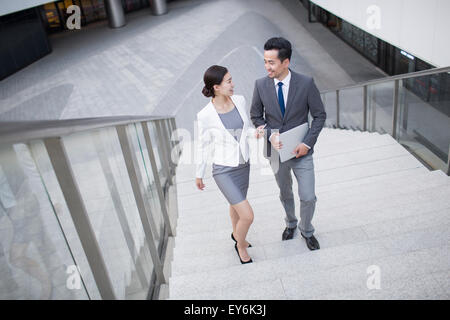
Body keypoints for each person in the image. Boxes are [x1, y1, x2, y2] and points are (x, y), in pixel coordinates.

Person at [250, 37, 326, 251]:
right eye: (265, 61)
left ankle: (307, 229)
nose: (267, 67)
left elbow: (319, 116)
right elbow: (256, 116)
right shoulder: (261, 85)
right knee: (285, 193)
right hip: (275, 152)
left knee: (308, 197)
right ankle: (291, 223)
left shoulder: (306, 83)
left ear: (286, 62)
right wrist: (267, 132)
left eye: (271, 62)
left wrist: (307, 144)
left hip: (302, 151)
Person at [195, 65, 265, 264]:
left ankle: (236, 234)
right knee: (248, 215)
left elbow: (245, 130)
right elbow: (203, 145)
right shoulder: (205, 115)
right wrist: (199, 174)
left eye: (232, 79)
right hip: (223, 170)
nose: (233, 84)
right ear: (216, 87)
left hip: (243, 164)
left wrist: (256, 133)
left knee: (236, 206)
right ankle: (240, 244)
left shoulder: (239, 100)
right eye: (228, 81)